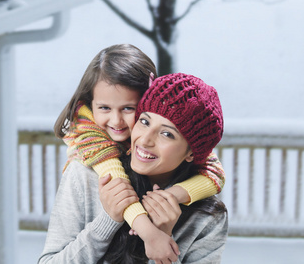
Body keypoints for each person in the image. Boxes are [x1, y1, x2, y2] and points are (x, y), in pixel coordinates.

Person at [41, 44, 225, 262]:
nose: (146, 139)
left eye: (167, 134)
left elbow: (212, 169)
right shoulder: (84, 173)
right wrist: (107, 221)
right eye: (145, 121)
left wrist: (165, 235)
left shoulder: (207, 215)